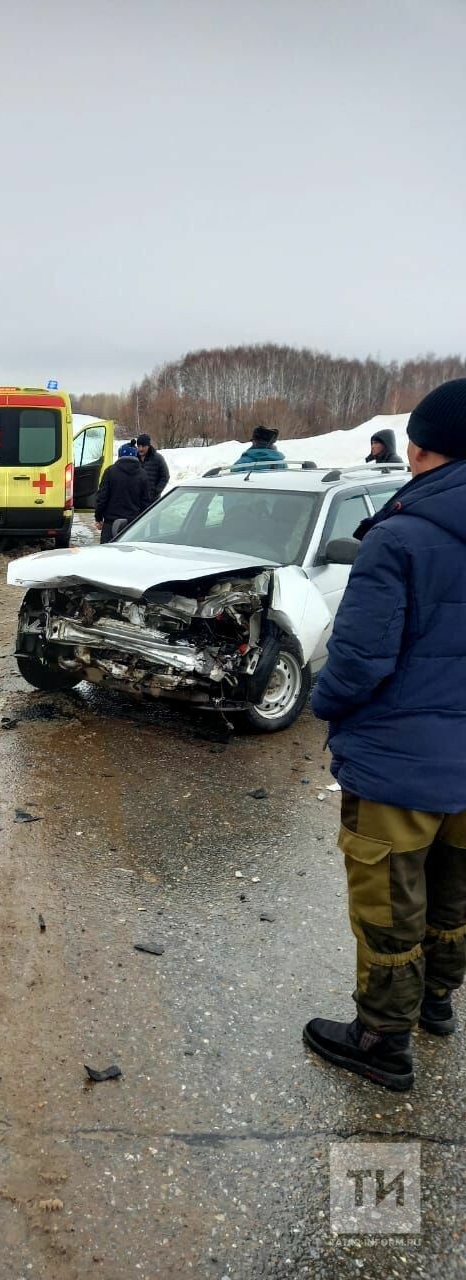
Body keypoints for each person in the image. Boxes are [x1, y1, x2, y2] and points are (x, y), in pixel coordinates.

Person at [305, 378, 466, 1092]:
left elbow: (358, 660)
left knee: (390, 901)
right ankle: (436, 1003)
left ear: (421, 444)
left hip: (401, 762)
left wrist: (325, 702)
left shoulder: (399, 536)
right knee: (454, 887)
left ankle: (381, 1039)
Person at [95, 442, 150, 542]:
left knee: (108, 554)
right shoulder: (143, 475)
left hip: (110, 524)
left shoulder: (110, 471)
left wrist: (98, 518)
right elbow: (145, 502)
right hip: (133, 526)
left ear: (120, 455)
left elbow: (102, 497)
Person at [135, 433, 170, 502]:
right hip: (137, 500)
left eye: (143, 446)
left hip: (152, 500)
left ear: (148, 446)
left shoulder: (158, 458)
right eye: (139, 446)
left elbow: (165, 476)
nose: (140, 449)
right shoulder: (134, 459)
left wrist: (156, 491)